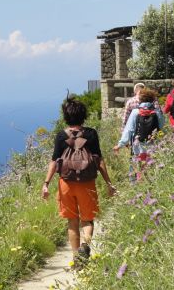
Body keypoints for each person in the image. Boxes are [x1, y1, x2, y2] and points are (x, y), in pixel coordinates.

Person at [42, 96, 116, 266]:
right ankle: (85, 245)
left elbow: (54, 161)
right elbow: (99, 160)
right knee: (88, 220)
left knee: (72, 221)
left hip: (66, 184)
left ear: (66, 117)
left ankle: (76, 259)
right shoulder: (91, 134)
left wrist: (46, 183)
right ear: (84, 116)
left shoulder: (61, 136)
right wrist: (108, 183)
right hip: (87, 183)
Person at [114, 89, 164, 182]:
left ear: (140, 100)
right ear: (152, 100)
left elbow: (129, 129)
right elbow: (161, 126)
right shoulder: (157, 112)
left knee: (138, 168)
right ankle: (152, 187)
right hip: (154, 146)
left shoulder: (135, 112)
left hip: (138, 147)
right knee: (152, 169)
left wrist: (120, 144)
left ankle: (139, 187)